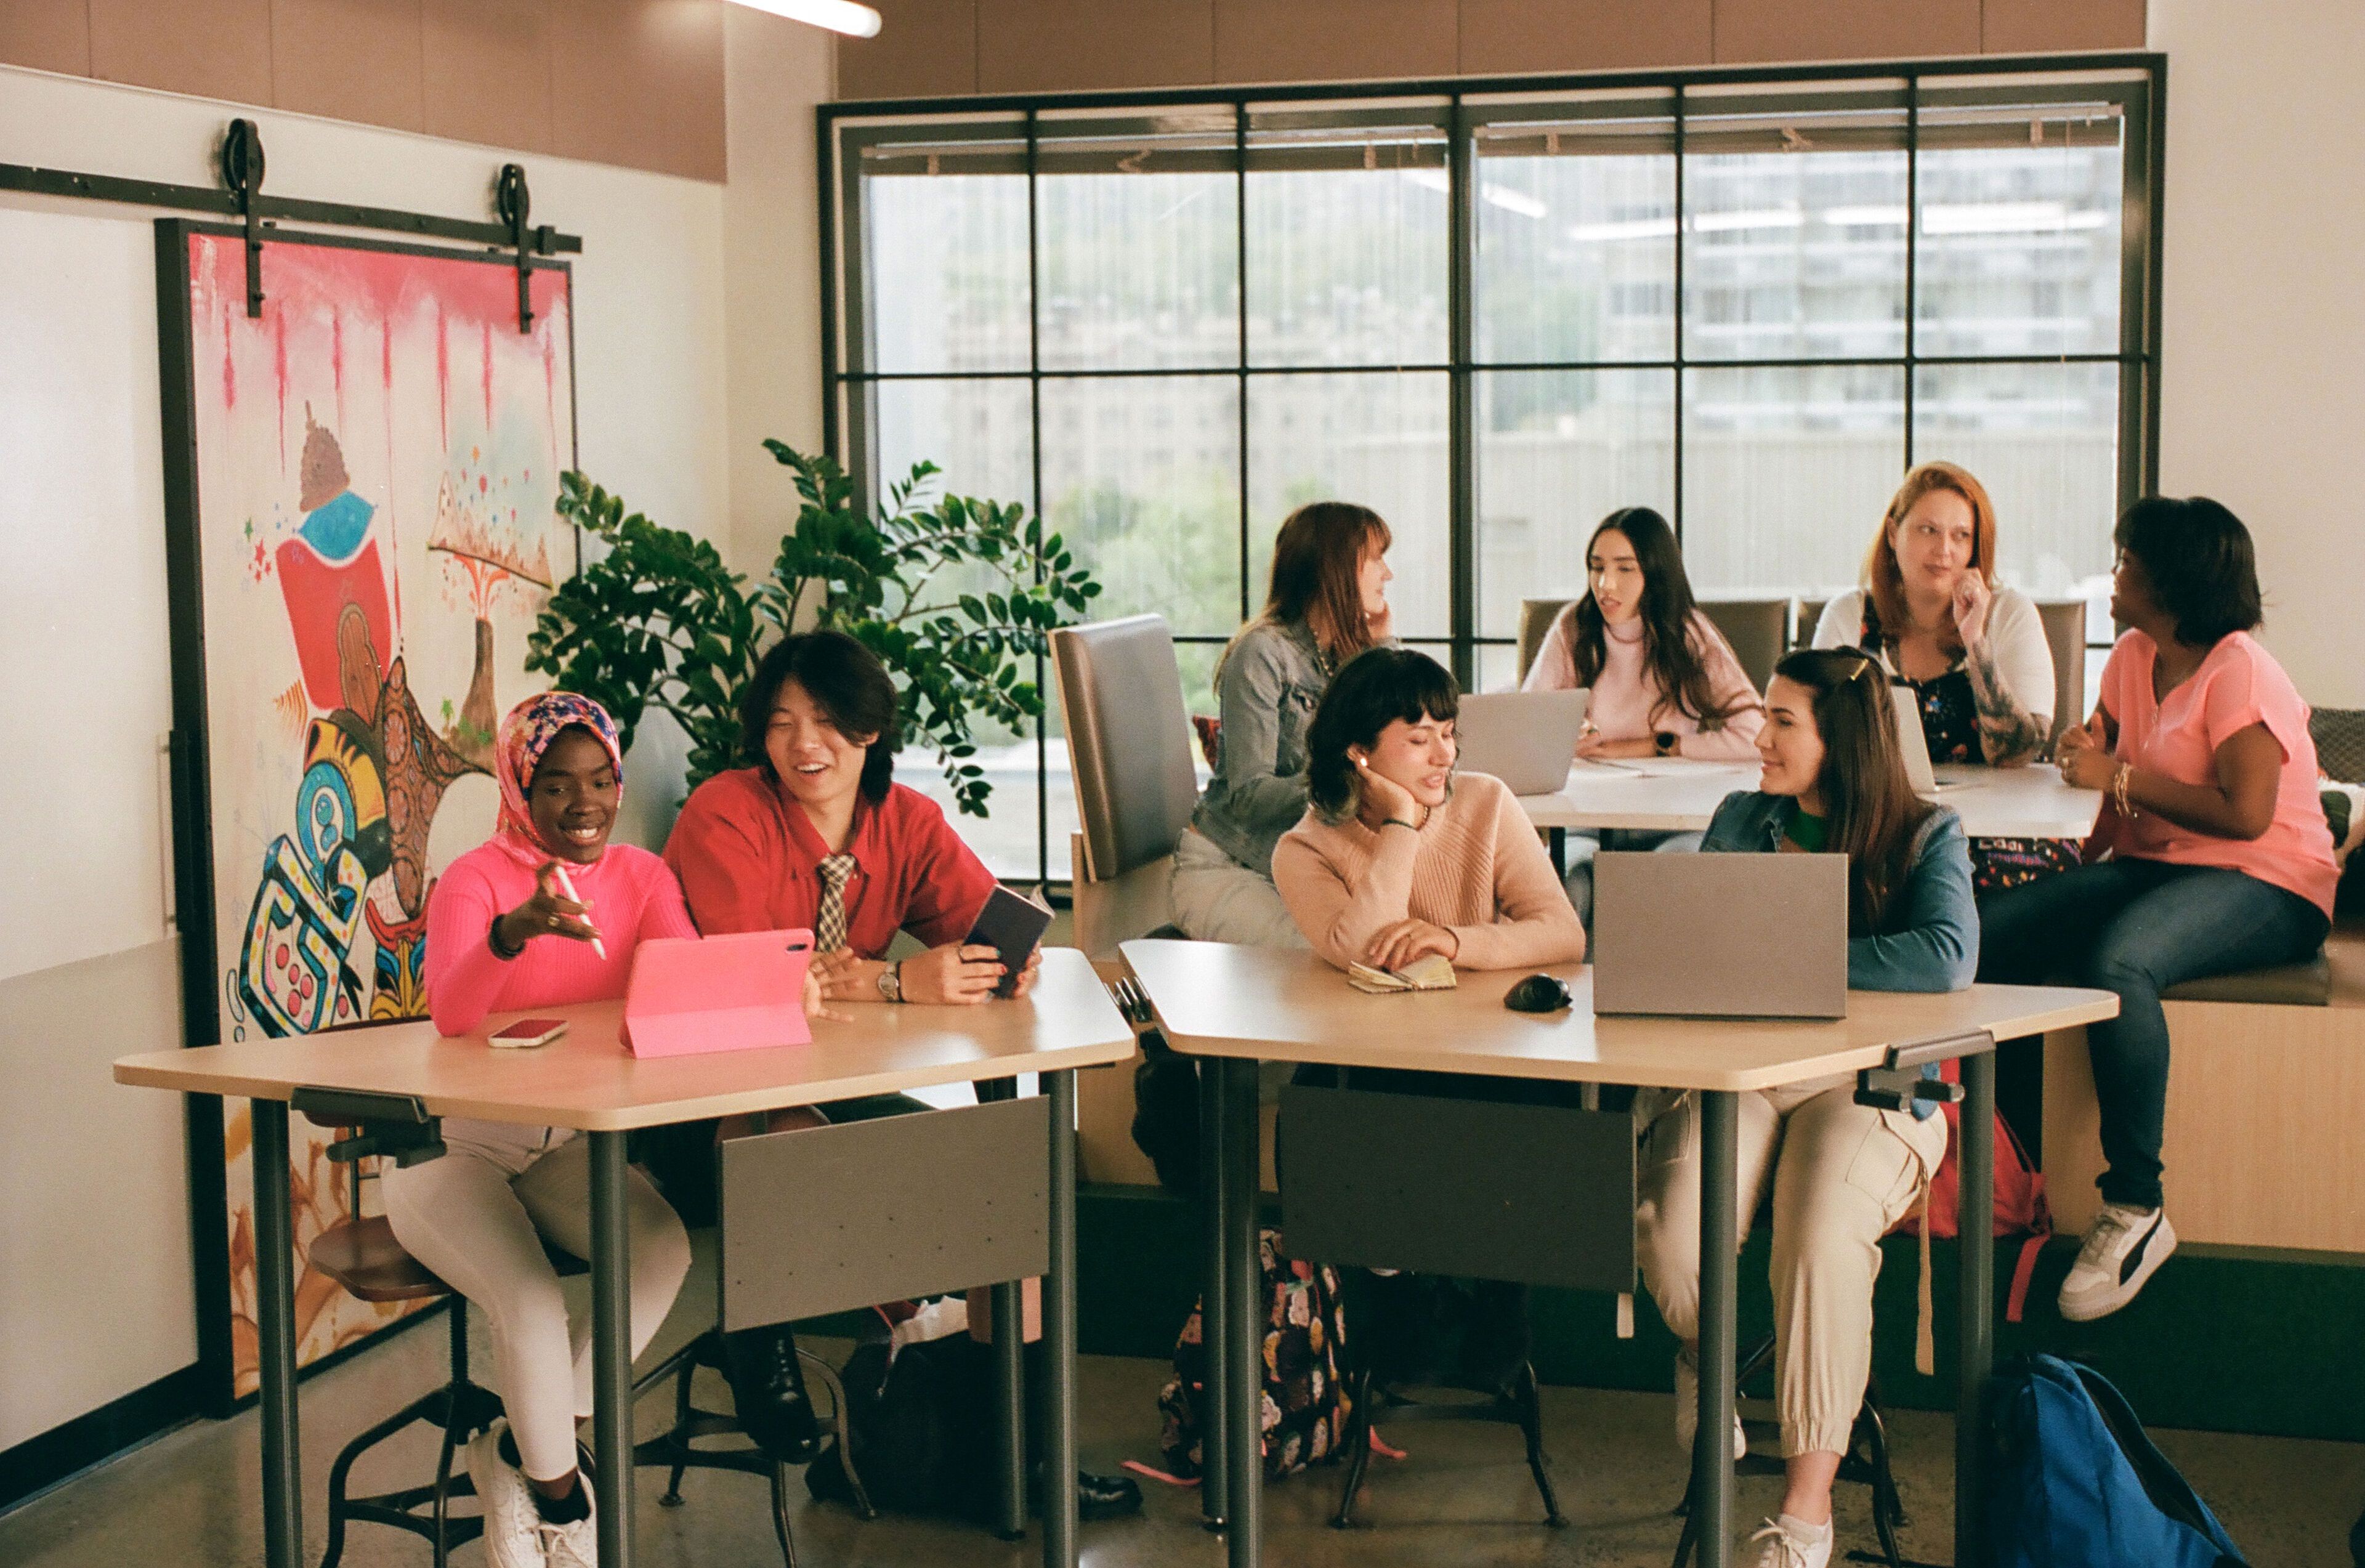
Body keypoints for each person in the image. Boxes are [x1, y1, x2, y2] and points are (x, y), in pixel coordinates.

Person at [664, 631, 1139, 1521]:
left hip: (844, 1088)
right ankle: (757, 1339)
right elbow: (753, 976)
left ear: (871, 729)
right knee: (789, 1137)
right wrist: (900, 980)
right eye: (782, 724)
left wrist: (1000, 962)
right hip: (718, 1101)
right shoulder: (723, 813)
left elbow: (999, 931)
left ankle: (1025, 1453)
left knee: (1009, 1195)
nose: (806, 744)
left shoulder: (907, 819)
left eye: (830, 722)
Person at [1635, 647, 1976, 1568]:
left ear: (1845, 741)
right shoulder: (1742, 820)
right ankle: (1707, 1359)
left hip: (1875, 1084)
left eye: (1785, 720)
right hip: (1747, 1074)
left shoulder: (1925, 834)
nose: (1761, 734)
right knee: (1672, 1231)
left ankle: (1804, 1518)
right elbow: (1705, 945)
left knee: (1820, 1238)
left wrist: (1786, 951)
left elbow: (1945, 957)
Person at [1978, 497, 2335, 1324]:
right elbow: (2108, 770)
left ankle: (2136, 1203)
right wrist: (2081, 840)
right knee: (1996, 931)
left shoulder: (2241, 669)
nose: (2113, 574)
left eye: (2126, 560)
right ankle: (2009, 1163)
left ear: (2171, 580)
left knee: (2120, 960)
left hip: (2273, 881)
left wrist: (2118, 778)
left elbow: (2248, 813)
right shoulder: (2131, 657)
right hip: (2163, 864)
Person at [384, 693, 697, 1568]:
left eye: (599, 781)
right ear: (522, 789)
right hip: (450, 1155)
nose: (583, 802)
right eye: (555, 785)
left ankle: (519, 1451)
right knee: (527, 1299)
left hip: (564, 1150)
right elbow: (450, 1013)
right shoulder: (475, 879)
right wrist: (510, 934)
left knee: (662, 1249)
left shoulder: (641, 876)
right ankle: (563, 1507)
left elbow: (680, 986)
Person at [1812, 462, 2065, 894]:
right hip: (1881, 822)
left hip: (1999, 828)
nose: (1944, 549)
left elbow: (2018, 752)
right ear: (1894, 535)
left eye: (1960, 535)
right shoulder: (1849, 615)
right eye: (1928, 530)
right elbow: (1813, 730)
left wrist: (1976, 642)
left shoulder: (2009, 613)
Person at [1274, 645, 1585, 976]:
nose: (1445, 756)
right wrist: (1400, 823)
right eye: (1420, 741)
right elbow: (1363, 956)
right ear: (1359, 750)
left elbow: (1566, 937)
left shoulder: (1487, 801)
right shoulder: (1304, 851)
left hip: (1482, 1019)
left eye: (1448, 734)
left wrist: (1452, 942)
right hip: (1370, 1026)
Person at [1171, 501, 1394, 946]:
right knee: (1342, 951)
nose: (1387, 574)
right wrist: (1351, 779)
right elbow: (1251, 797)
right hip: (1230, 867)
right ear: (1336, 568)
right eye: (1374, 560)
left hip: (1298, 868)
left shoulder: (1346, 655)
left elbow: (1396, 738)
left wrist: (1383, 649)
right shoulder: (1262, 653)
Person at [1522, 505, 1764, 764]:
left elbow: (1756, 736)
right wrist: (1567, 733)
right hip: (1587, 784)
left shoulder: (1688, 633)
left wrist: (1655, 746)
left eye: (1625, 569)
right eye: (1597, 567)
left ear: (1656, 574)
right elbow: (1525, 721)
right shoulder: (1574, 625)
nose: (1605, 585)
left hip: (1668, 790)